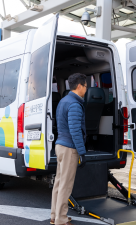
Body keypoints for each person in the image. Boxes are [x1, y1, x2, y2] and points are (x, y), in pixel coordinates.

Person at [50, 73, 88, 225]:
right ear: (79, 86)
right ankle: (61, 219)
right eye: (85, 86)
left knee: (59, 183)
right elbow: (75, 130)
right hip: (69, 149)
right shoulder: (74, 104)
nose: (86, 89)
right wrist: (82, 152)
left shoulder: (63, 101)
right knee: (66, 185)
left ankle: (54, 215)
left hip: (60, 146)